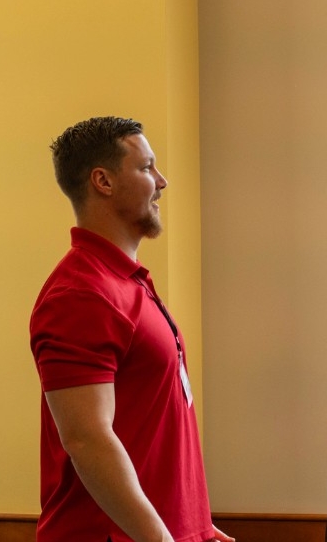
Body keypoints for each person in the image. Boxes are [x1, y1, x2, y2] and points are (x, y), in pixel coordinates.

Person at [29, 116, 235, 542]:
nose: (162, 181)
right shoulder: (80, 294)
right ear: (102, 181)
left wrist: (193, 523)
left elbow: (152, 426)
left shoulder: (126, 283)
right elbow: (88, 440)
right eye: (146, 168)